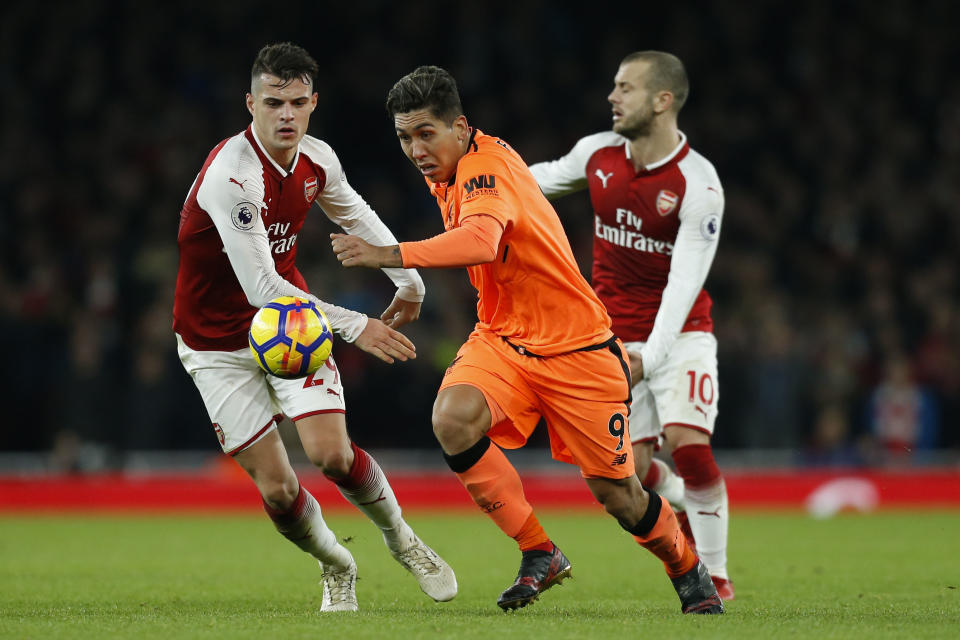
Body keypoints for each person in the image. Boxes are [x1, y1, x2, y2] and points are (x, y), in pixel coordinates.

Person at [330, 65, 723, 614]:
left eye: (426, 133)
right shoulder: (449, 166)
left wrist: (391, 255)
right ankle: (540, 552)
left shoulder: (483, 169)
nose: (416, 149)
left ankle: (687, 568)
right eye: (404, 137)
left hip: (579, 351)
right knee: (452, 417)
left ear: (460, 127)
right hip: (504, 339)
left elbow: (482, 240)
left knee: (619, 496)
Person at [172, 43, 456, 612]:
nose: (286, 115)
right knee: (278, 489)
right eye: (273, 102)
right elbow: (260, 289)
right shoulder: (232, 175)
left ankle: (403, 539)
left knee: (331, 454)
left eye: (298, 102)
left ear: (313, 104)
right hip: (215, 343)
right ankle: (336, 563)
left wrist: (411, 283)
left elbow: (356, 215)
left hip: (292, 330)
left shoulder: (317, 159)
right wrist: (355, 325)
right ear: (249, 103)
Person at [528, 51, 733, 600]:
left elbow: (681, 288)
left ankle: (714, 576)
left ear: (662, 101)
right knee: (630, 477)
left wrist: (650, 356)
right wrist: (470, 174)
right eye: (614, 86)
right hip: (611, 337)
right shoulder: (597, 154)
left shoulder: (699, 185)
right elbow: (532, 182)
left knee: (691, 448)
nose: (612, 97)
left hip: (681, 333)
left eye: (626, 88)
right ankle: (682, 498)